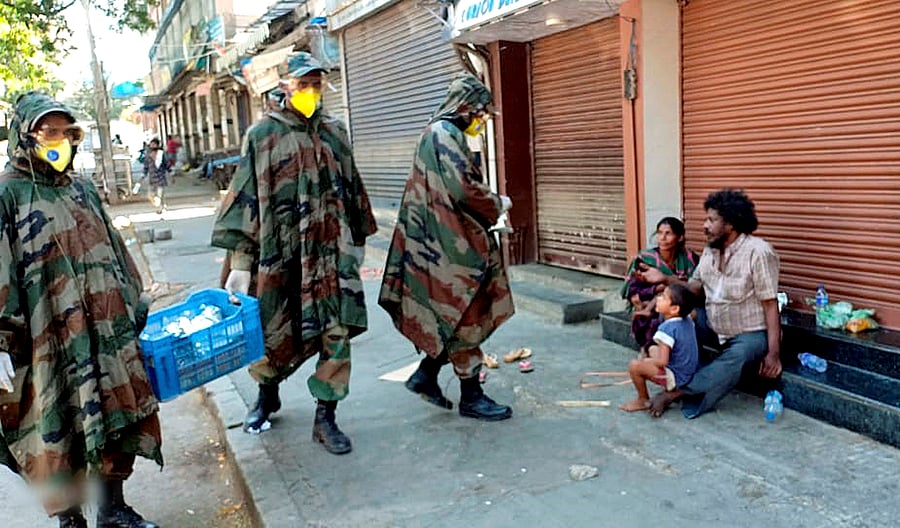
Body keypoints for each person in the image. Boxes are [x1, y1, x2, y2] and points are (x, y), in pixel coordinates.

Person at [0, 92, 161, 527]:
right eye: (47, 131)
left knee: (118, 416)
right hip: (46, 343)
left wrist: (133, 303)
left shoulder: (82, 188)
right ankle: (71, 519)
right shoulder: (8, 194)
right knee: (54, 429)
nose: (59, 140)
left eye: (66, 132)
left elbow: (113, 249)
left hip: (105, 332)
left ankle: (114, 508)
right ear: (25, 135)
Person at [211, 52, 376, 454]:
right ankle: (267, 394)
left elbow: (353, 190)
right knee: (272, 335)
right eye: (303, 84)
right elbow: (245, 200)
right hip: (281, 259)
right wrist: (242, 265)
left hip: (331, 259)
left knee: (335, 334)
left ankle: (327, 417)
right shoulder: (262, 135)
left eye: (317, 84)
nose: (311, 92)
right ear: (284, 86)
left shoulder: (335, 133)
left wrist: (356, 243)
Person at [378, 73, 515, 421]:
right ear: (467, 107)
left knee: (449, 313)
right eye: (481, 113)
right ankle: (471, 395)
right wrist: (497, 203)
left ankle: (426, 375)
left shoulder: (436, 133)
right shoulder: (445, 134)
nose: (481, 120)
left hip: (435, 240)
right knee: (463, 310)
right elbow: (463, 188)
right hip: (447, 246)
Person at [645, 189, 782, 418]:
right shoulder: (711, 250)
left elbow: (770, 305)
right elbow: (695, 288)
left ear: (731, 224)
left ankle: (676, 393)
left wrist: (774, 354)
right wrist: (664, 279)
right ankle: (679, 373)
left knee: (737, 357)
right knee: (670, 314)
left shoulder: (758, 252)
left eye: (712, 220)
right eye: (706, 219)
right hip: (714, 325)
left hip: (749, 333)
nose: (705, 226)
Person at [621, 217, 699, 356]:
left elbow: (696, 286)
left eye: (668, 233)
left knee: (688, 313)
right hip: (649, 302)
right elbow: (631, 289)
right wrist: (656, 289)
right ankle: (651, 352)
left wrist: (669, 285)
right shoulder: (645, 258)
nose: (662, 238)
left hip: (680, 302)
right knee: (658, 312)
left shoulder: (689, 258)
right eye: (659, 233)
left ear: (680, 237)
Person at [620, 283, 698, 412]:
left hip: (677, 377)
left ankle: (642, 399)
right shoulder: (687, 319)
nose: (658, 298)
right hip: (689, 371)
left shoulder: (666, 329)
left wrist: (647, 362)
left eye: (664, 297)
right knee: (652, 349)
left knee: (635, 366)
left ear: (674, 309)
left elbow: (663, 362)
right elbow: (693, 313)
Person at [142, 138, 168, 213]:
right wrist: (144, 173)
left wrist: (170, 172)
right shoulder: (148, 155)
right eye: (151, 144)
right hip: (152, 178)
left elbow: (166, 164)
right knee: (150, 195)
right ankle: (160, 205)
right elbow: (146, 166)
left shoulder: (161, 154)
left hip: (160, 177)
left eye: (154, 144)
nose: (152, 145)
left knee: (160, 195)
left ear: (157, 145)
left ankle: (160, 209)